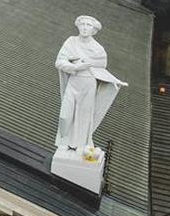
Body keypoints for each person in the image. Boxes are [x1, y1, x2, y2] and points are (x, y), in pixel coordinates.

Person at [54, 15, 127, 152]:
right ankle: (63, 140)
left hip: (88, 84)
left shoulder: (98, 49)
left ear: (94, 30)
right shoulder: (71, 42)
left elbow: (101, 70)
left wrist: (115, 81)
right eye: (83, 24)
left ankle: (79, 144)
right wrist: (75, 67)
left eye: (89, 25)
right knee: (65, 114)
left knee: (83, 116)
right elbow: (59, 62)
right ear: (78, 26)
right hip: (74, 82)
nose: (85, 28)